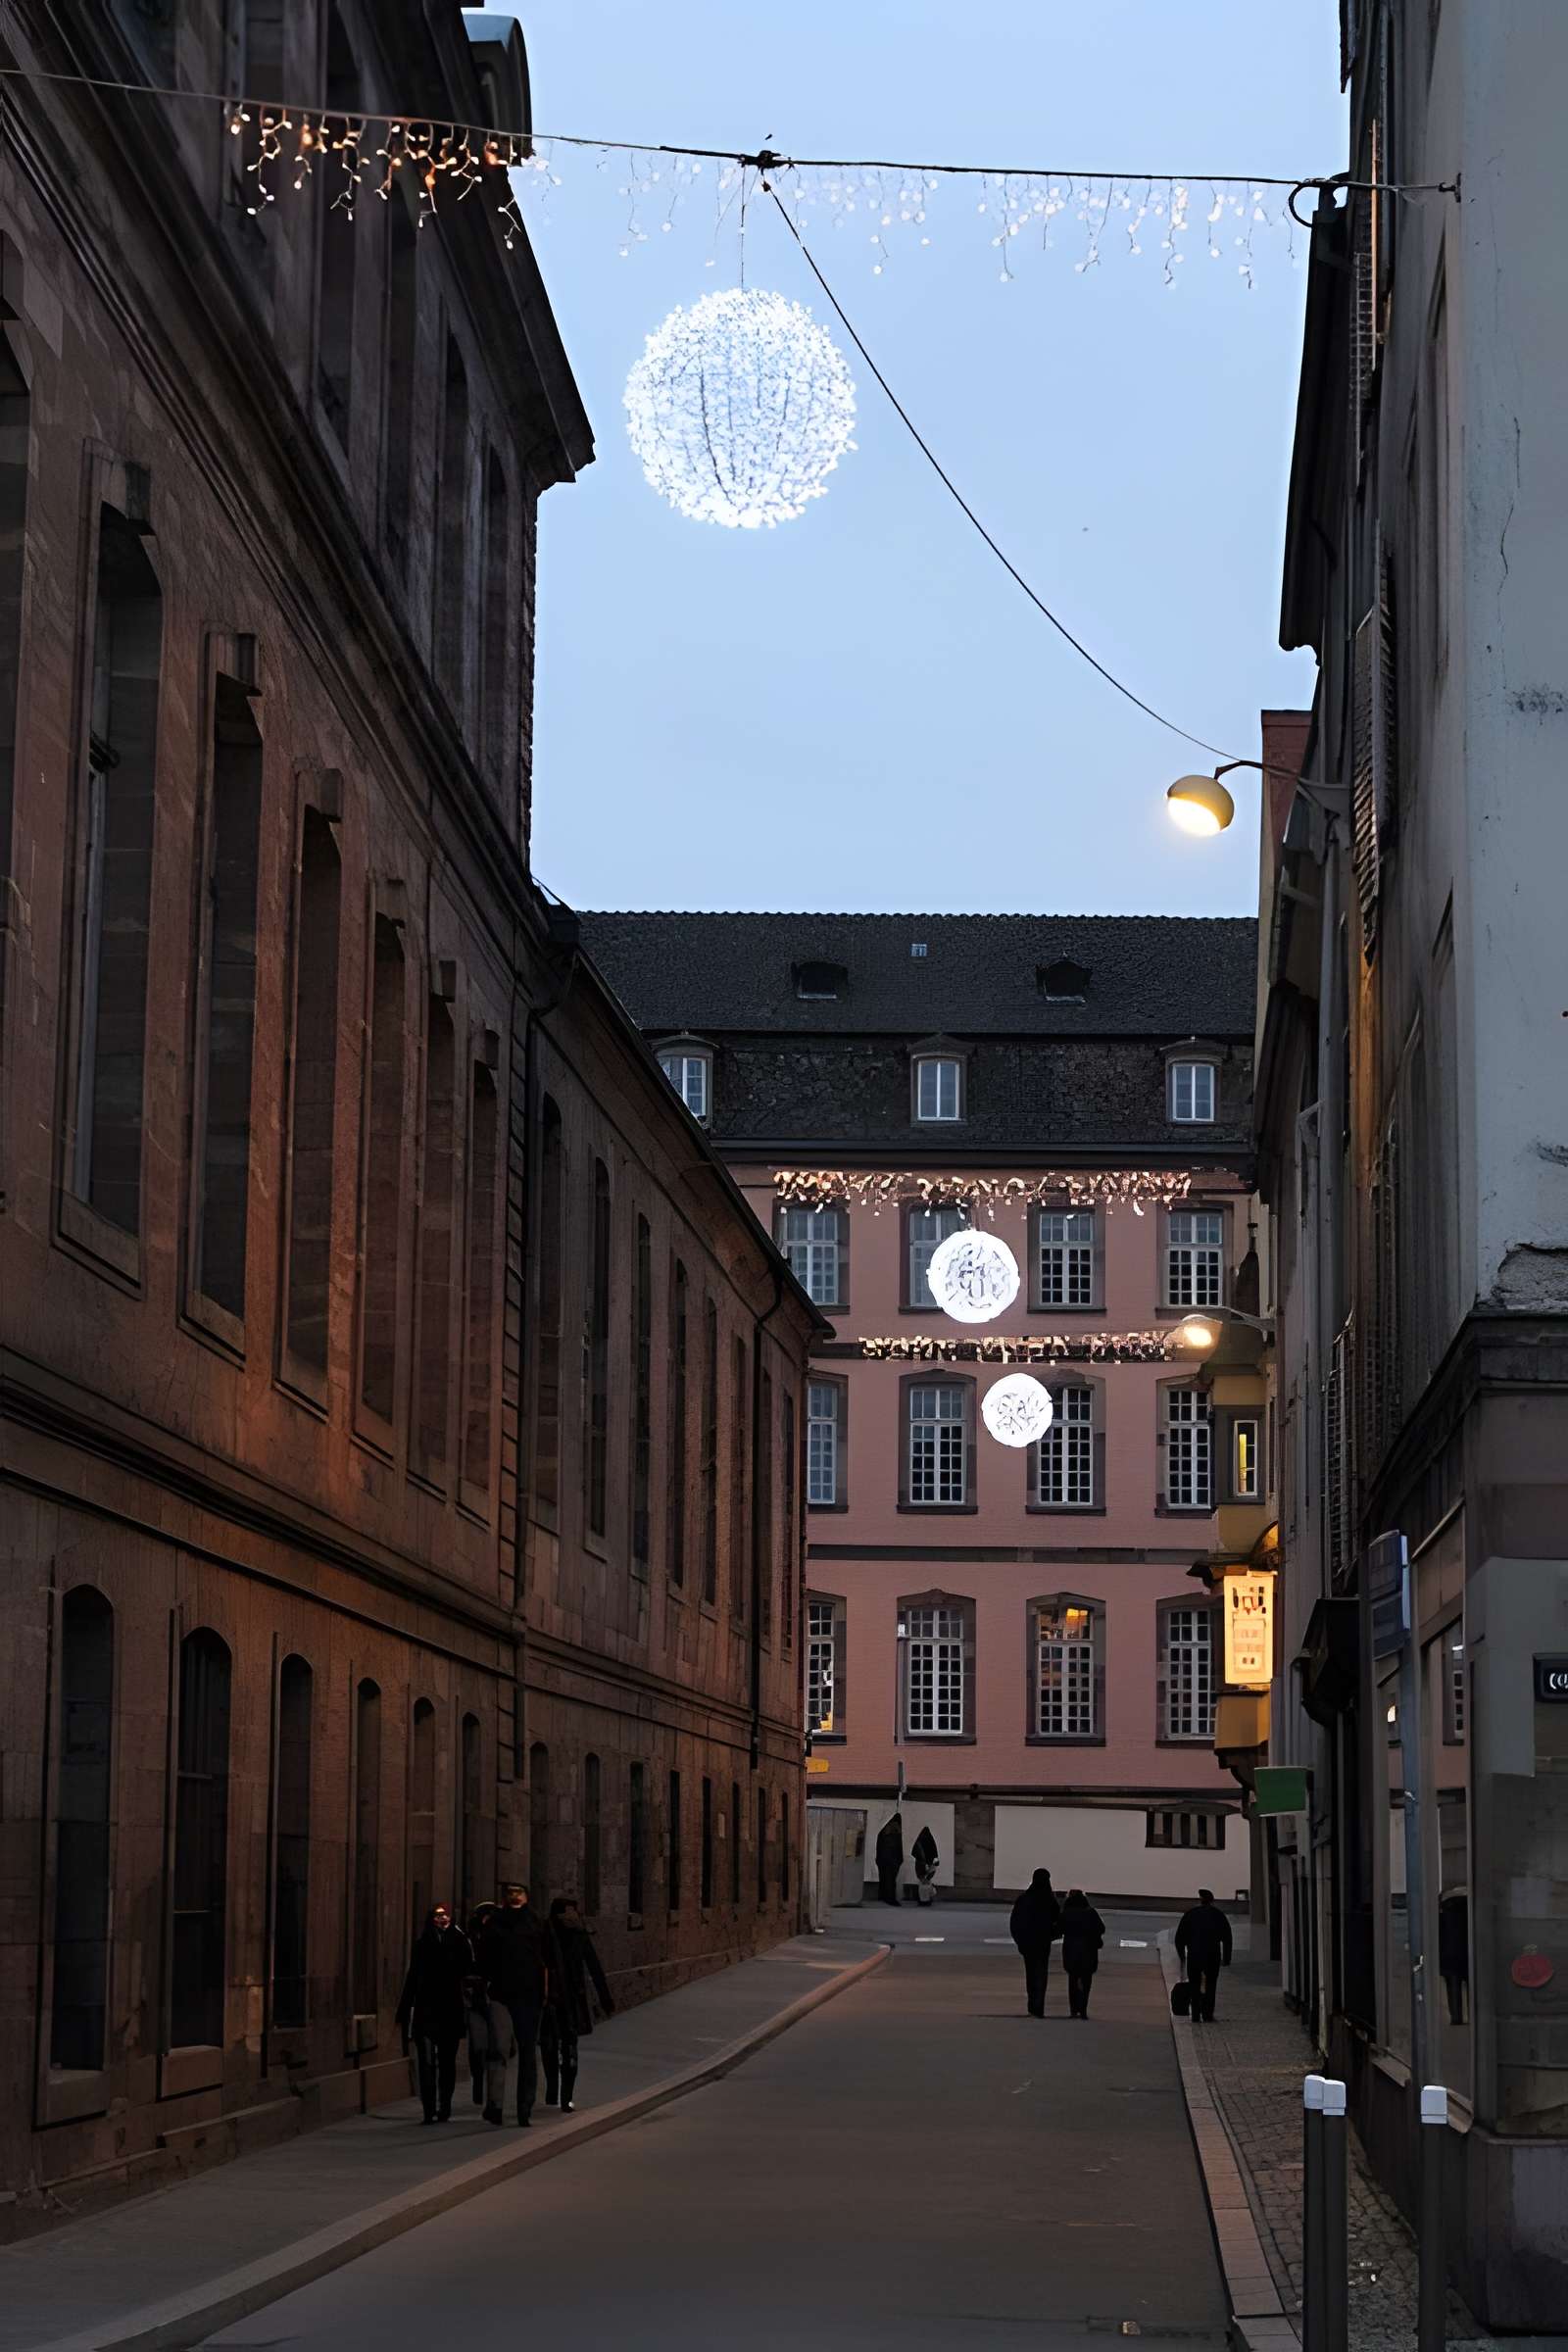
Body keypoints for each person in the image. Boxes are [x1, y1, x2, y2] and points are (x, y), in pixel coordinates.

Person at [474, 1882, 552, 2127]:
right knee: (498, 2049)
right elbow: (483, 1957)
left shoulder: (538, 1923)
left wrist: (549, 1994)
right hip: (501, 1994)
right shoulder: (496, 1923)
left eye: (519, 1893)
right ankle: (495, 2105)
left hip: (530, 1996)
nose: (515, 1897)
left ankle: (524, 2106)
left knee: (528, 2052)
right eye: (510, 1894)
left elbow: (551, 1959)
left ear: (527, 1896)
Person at [395, 1902, 473, 2124]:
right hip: (426, 2008)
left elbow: (467, 1968)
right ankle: (429, 2108)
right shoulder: (422, 1945)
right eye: (439, 1916)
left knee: (447, 2062)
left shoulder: (459, 1942)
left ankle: (444, 2106)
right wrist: (405, 2007)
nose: (443, 1919)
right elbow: (413, 1976)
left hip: (450, 2008)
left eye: (446, 1915)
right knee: (426, 2061)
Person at [541, 1895, 615, 2113]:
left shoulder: (579, 1935)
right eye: (569, 1911)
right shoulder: (546, 1933)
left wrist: (606, 2000)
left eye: (575, 1911)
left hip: (571, 1998)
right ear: (559, 1913)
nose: (573, 1916)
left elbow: (594, 1966)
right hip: (551, 1999)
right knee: (549, 2047)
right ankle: (553, 2091)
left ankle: (566, 2098)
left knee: (570, 2048)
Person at [1008, 1867, 1061, 2017]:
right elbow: (1058, 1920)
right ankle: (1039, 2005)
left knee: (1031, 1973)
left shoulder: (1025, 1899)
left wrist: (1020, 1941)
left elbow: (1015, 1922)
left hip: (1028, 1943)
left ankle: (1033, 2004)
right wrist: (1053, 1935)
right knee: (1041, 1973)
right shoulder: (1049, 1900)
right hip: (1043, 1942)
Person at [1174, 1888, 1233, 2022]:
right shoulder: (1218, 1915)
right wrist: (1227, 1959)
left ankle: (1195, 2014)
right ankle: (1207, 2014)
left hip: (1194, 1955)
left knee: (1194, 1985)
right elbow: (1227, 1938)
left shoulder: (1190, 1914)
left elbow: (1179, 1938)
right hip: (1213, 1956)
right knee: (1211, 1985)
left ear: (1200, 1900)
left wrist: (1182, 1956)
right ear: (1212, 1900)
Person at [464, 1900, 500, 2105]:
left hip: (494, 1997)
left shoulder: (499, 1940)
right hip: (477, 1997)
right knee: (478, 2047)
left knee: (496, 2048)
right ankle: (479, 2088)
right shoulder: (470, 1941)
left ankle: (490, 2092)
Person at [1058, 1888, 1105, 2020]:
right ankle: (1083, 2009)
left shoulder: (1067, 1913)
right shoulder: (1090, 1912)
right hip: (1088, 1950)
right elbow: (1101, 1928)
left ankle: (1073, 2010)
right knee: (1086, 1980)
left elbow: (1059, 1928)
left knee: (1072, 1980)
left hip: (1071, 1950)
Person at [874, 1811, 904, 1907]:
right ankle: (889, 1898)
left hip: (885, 1859)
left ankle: (883, 1896)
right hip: (890, 1860)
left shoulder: (885, 1833)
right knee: (889, 1880)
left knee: (886, 1879)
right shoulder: (892, 1834)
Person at [911, 1824, 940, 1907]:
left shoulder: (919, 1841)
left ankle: (922, 1900)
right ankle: (926, 1900)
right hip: (927, 1864)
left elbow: (914, 1852)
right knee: (927, 1883)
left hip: (921, 1864)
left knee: (922, 1883)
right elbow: (935, 1854)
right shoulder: (930, 1841)